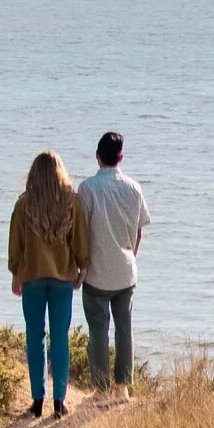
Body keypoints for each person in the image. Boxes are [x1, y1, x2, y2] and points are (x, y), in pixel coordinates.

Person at [7, 146, 88, 418]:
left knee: (35, 337)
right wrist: (83, 268)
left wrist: (15, 274)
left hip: (32, 277)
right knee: (60, 338)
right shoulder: (72, 202)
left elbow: (16, 245)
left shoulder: (24, 204)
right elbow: (80, 240)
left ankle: (37, 399)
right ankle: (59, 400)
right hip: (63, 278)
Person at [78, 128, 148, 393]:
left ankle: (101, 389)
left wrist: (79, 267)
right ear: (121, 157)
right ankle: (123, 387)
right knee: (124, 330)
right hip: (125, 271)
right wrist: (131, 256)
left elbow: (82, 232)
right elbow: (139, 231)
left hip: (96, 273)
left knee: (98, 331)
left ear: (97, 156)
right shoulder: (134, 188)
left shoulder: (87, 188)